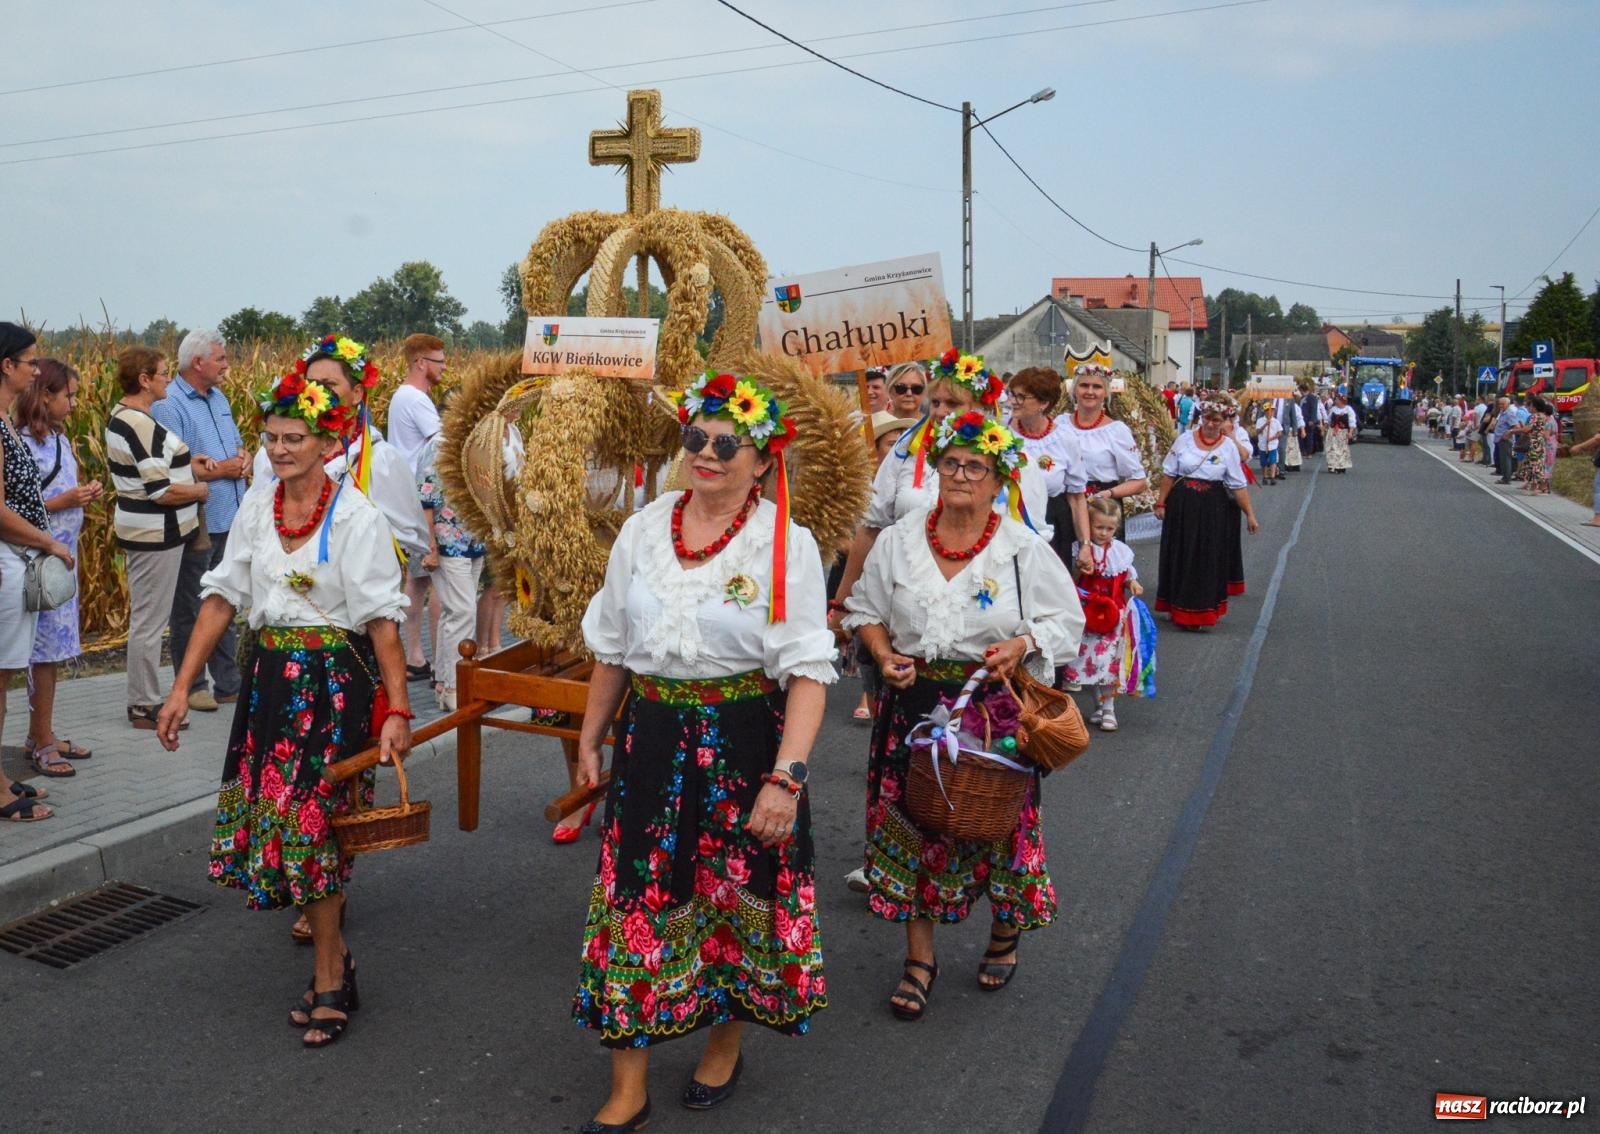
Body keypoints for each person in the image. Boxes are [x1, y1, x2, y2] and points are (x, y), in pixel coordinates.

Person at [571, 369, 832, 1133]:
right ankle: (628, 1083)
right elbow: (612, 648)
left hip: (744, 740)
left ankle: (724, 1043)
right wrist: (589, 738)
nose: (707, 454)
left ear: (763, 460)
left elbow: (808, 673)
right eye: (697, 438)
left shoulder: (786, 543)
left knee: (734, 895)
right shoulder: (642, 530)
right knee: (636, 896)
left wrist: (785, 780)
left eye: (727, 444)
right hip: (652, 737)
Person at [156, 365, 412, 1049]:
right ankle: (338, 963)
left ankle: (329, 976)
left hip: (332, 689)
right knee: (289, 830)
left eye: (294, 438)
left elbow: (382, 622)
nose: (279, 449)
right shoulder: (256, 507)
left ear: (327, 442)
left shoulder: (356, 516)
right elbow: (221, 598)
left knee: (312, 830)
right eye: (271, 438)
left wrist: (398, 710)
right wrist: (180, 687)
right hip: (271, 684)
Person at [843, 409, 1082, 1019]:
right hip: (914, 709)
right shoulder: (899, 541)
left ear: (999, 479)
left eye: (976, 467)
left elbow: (1066, 621)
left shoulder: (1021, 548)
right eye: (951, 463)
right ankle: (919, 959)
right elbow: (865, 610)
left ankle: (1004, 930)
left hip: (992, 711)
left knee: (995, 827)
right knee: (913, 827)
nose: (960, 475)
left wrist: (1023, 644)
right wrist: (883, 654)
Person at [105, 346, 209, 729]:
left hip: (148, 530)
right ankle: (143, 703)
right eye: (163, 373)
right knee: (150, 621)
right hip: (155, 533)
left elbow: (151, 467)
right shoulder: (140, 423)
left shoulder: (125, 417)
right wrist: (198, 490)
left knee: (149, 618)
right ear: (144, 380)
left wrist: (187, 464)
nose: (168, 379)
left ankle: (144, 698)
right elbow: (160, 490)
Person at [1, 325, 77, 817]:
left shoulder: (5, 423)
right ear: (6, 365)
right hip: (8, 558)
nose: (35, 369)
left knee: (4, 677)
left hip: (16, 558)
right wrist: (47, 540)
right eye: (29, 361)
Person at [151, 329, 249, 714]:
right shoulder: (170, 405)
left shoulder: (219, 398)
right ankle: (192, 685)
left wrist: (243, 458)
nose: (226, 365)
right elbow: (172, 468)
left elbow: (235, 444)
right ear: (198, 362)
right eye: (220, 359)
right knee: (191, 605)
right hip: (198, 521)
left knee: (225, 599)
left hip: (231, 517)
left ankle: (228, 683)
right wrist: (224, 469)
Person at [19, 359, 102, 770]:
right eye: (67, 395)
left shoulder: (59, 440)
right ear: (44, 395)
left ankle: (42, 731)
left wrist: (82, 495)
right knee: (43, 654)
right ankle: (41, 740)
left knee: (51, 653)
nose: (73, 403)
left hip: (63, 559)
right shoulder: (23, 444)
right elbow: (19, 508)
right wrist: (65, 501)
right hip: (39, 561)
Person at [1153, 396, 1258, 630]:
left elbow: (1238, 485)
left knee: (1205, 558)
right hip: (1182, 506)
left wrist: (1250, 515)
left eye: (1216, 420)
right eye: (1207, 418)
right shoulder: (1184, 440)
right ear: (1201, 417)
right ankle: (1175, 604)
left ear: (1225, 421)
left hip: (1212, 509)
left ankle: (1199, 611)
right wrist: (1161, 503)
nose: (1211, 424)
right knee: (1180, 554)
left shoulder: (1228, 447)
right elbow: (1169, 473)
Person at [414, 389, 485, 712]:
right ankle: (456, 685)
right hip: (448, 541)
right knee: (463, 612)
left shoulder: (469, 444)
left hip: (472, 540)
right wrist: (430, 546)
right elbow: (425, 500)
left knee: (454, 614)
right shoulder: (438, 446)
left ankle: (445, 684)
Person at [388, 335, 446, 681]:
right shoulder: (417, 400)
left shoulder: (401, 397)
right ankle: (440, 659)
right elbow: (443, 446)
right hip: (424, 499)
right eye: (439, 362)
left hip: (409, 497)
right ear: (421, 363)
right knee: (439, 578)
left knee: (418, 581)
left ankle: (415, 654)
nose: (444, 367)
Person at [1063, 495, 1143, 731]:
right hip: (1088, 616)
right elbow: (1071, 579)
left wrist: (1133, 583)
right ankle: (1099, 705)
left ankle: (1109, 709)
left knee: (1108, 663)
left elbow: (1126, 575)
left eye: (1109, 529)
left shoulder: (1120, 553)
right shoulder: (1079, 550)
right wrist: (1079, 569)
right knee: (1090, 663)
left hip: (1112, 617)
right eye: (1099, 527)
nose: (1104, 533)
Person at [1006, 366, 1089, 569]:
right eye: (1012, 394)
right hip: (1008, 520)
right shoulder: (1000, 433)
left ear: (1043, 403)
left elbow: (1077, 498)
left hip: (1052, 522)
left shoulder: (1065, 439)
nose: (1013, 401)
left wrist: (1085, 545)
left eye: (1021, 397)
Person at [1060, 366, 1148, 547]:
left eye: (1097, 387)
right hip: (1065, 504)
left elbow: (1139, 482)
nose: (1090, 391)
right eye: (1084, 385)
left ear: (1106, 392)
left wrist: (1109, 493)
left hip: (1101, 509)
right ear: (1074, 390)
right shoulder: (1060, 424)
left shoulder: (1116, 431)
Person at [1515, 395, 1557, 495]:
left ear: (1535, 407)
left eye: (1531, 406)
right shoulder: (1543, 416)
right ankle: (1535, 486)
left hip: (1535, 443)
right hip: (1538, 443)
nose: (1529, 408)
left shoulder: (1536, 416)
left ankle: (1536, 488)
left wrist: (1513, 431)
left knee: (1534, 464)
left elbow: (1528, 429)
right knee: (1535, 464)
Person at [1325, 392, 1357, 473]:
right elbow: (1328, 420)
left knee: (1341, 450)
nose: (1335, 401)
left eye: (1336, 399)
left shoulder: (1348, 409)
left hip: (1342, 432)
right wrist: (1325, 428)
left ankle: (1341, 466)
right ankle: (1332, 466)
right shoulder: (1333, 409)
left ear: (1341, 401)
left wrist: (1350, 432)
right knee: (1332, 449)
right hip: (1333, 432)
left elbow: (1352, 422)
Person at [1258, 403, 1282, 485]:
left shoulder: (1276, 421)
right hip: (1262, 445)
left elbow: (1280, 433)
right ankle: (1264, 477)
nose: (1271, 412)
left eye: (1272, 411)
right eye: (1269, 411)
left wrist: (1272, 438)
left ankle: (1272, 477)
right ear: (1265, 412)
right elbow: (1258, 431)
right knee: (1263, 462)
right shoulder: (1260, 421)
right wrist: (1265, 425)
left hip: (1272, 445)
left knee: (1273, 461)